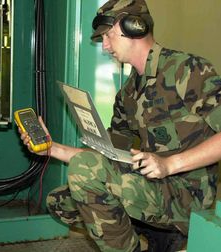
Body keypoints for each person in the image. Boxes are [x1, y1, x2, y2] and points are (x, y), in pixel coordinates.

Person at [19, 0, 221, 251]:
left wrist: (170, 164)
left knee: (84, 174)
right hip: (154, 187)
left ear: (134, 27)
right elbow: (106, 158)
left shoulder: (187, 70)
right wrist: (51, 149)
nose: (104, 46)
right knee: (60, 201)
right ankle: (152, 236)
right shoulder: (128, 93)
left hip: (189, 194)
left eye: (107, 36)